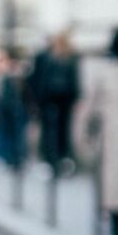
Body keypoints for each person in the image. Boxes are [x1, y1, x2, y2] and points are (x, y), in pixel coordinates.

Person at [80, 27, 118, 235]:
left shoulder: (104, 74)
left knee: (116, 181)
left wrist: (84, 137)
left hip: (114, 136)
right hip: (116, 135)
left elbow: (89, 108)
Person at [29, 32, 80, 172]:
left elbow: (74, 79)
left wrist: (75, 97)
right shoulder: (46, 57)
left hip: (64, 100)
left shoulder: (70, 57)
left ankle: (61, 158)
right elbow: (39, 79)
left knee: (62, 130)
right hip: (49, 100)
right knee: (49, 130)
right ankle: (50, 159)